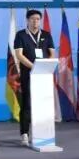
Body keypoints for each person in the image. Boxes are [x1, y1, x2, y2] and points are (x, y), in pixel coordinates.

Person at [13, 9, 55, 146]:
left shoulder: (46, 35)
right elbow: (19, 55)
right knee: (27, 104)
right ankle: (24, 133)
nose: (35, 21)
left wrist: (44, 66)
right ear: (27, 20)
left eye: (37, 19)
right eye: (32, 19)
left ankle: (42, 131)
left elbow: (52, 54)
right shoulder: (20, 35)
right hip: (28, 74)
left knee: (43, 103)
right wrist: (34, 67)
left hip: (43, 75)